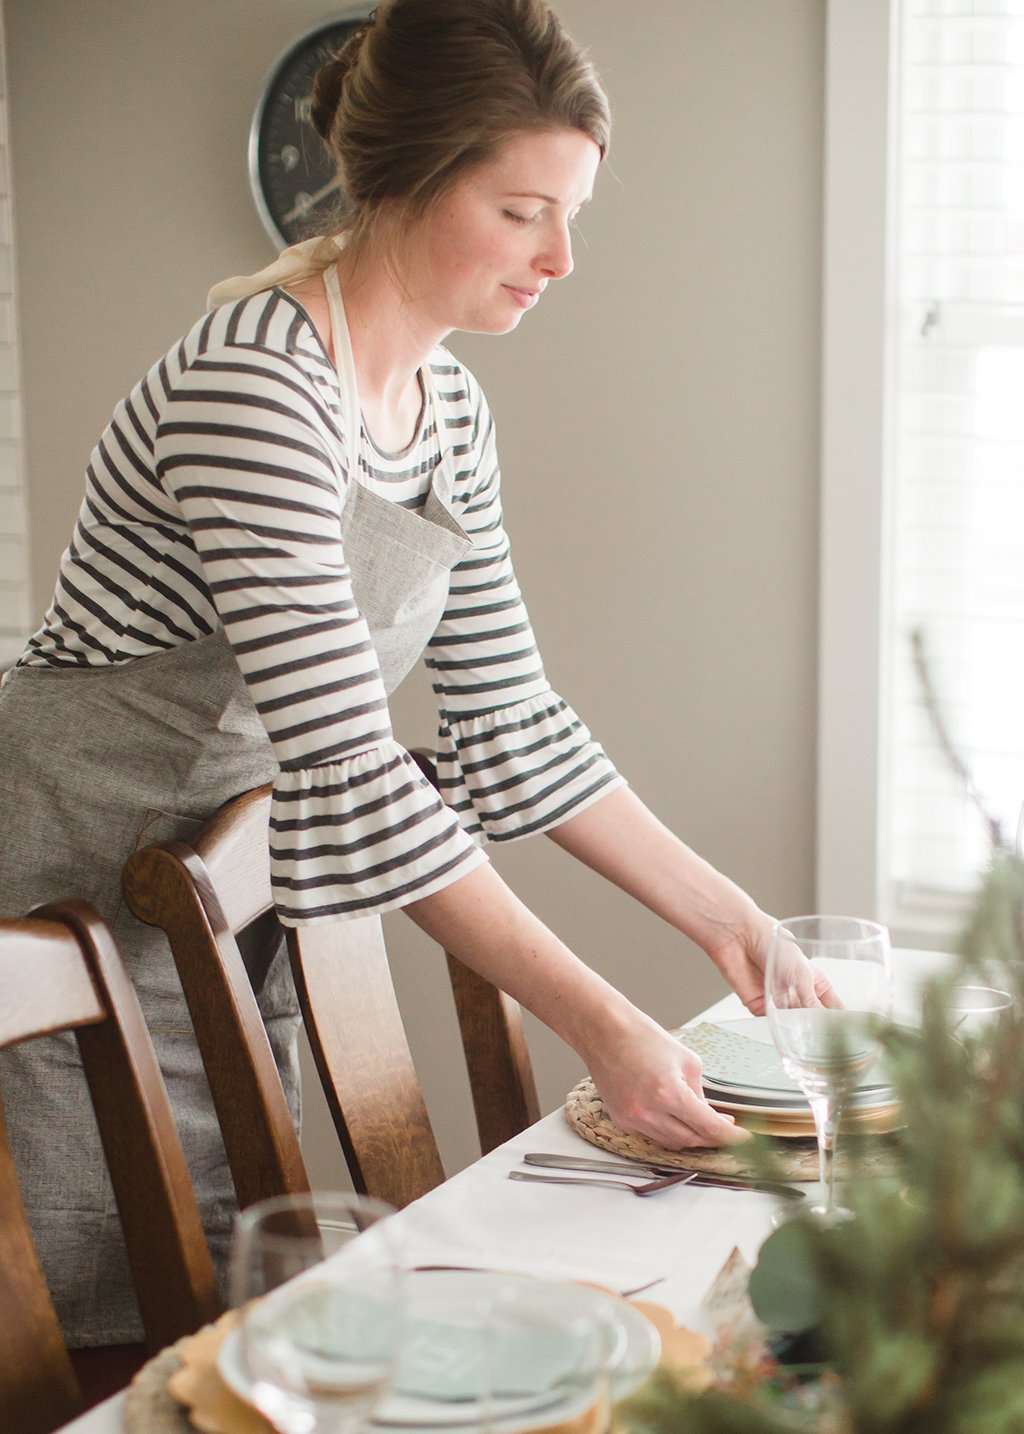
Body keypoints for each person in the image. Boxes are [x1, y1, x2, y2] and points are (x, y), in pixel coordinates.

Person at [0, 0, 831, 1350]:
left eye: (572, 215)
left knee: (206, 1314)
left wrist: (730, 920)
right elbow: (355, 768)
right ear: (403, 178)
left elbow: (511, 718)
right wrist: (605, 1025)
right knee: (77, 1325)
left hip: (202, 887)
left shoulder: (444, 404)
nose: (561, 258)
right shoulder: (256, 386)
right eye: (521, 212)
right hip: (62, 889)